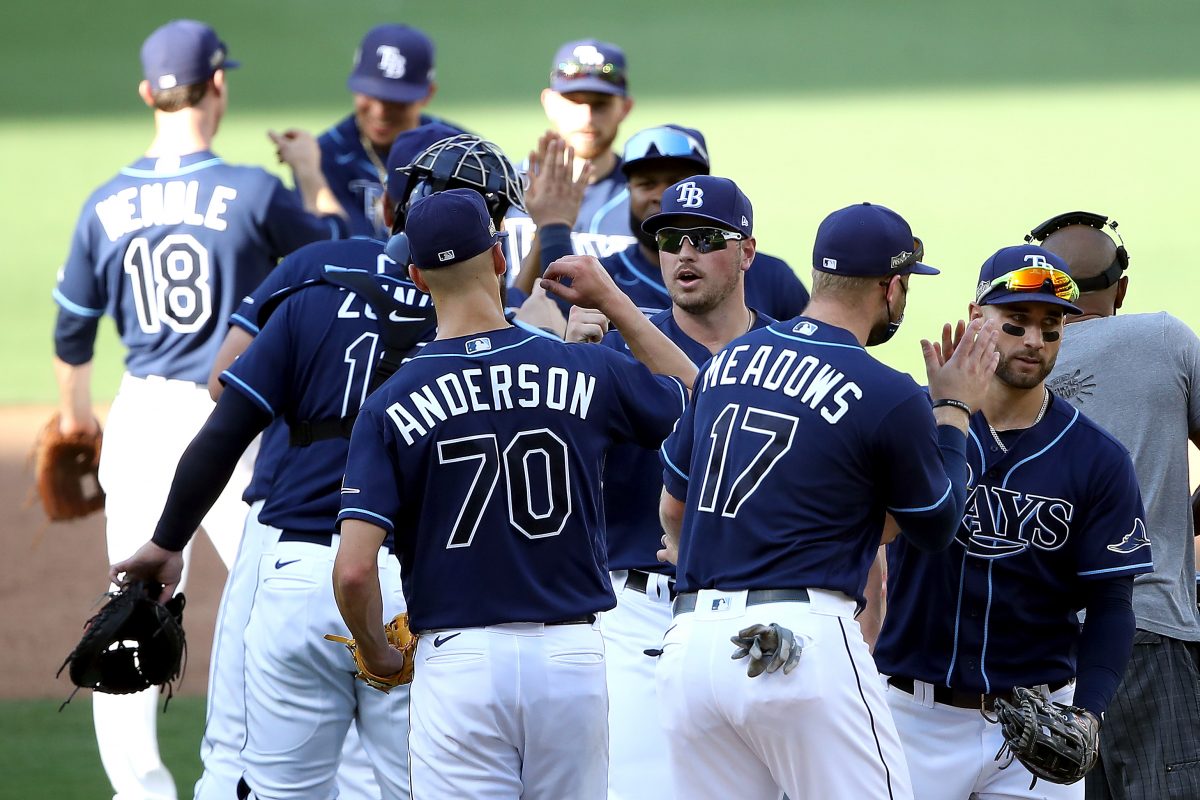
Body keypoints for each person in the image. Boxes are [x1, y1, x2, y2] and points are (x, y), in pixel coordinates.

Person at [51, 20, 346, 800]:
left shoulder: (103, 203)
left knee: (129, 608)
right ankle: (278, 772)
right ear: (219, 85)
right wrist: (312, 170)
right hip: (230, 421)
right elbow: (335, 262)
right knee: (275, 590)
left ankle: (140, 790)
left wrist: (76, 419)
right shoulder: (252, 191)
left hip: (140, 421)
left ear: (149, 93)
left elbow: (72, 334)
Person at [194, 125, 527, 800]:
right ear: (492, 241)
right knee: (415, 777)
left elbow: (222, 386)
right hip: (423, 562)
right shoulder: (498, 319)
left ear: (388, 205)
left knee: (241, 755)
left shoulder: (315, 269)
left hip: (292, 539)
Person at [332, 188, 697, 798]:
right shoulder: (585, 369)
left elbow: (352, 572)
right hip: (573, 659)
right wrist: (616, 303)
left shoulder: (389, 404)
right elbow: (697, 398)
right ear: (500, 259)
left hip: (460, 663)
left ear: (418, 277)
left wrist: (381, 655)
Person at [655, 202, 998, 799]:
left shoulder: (727, 362)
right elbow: (937, 526)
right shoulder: (884, 390)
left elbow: (673, 508)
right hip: (795, 643)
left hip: (691, 648)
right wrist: (954, 410)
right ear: (892, 288)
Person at [110, 222, 434, 797]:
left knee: (267, 780)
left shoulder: (310, 295)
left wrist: (167, 542)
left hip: (293, 577)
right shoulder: (492, 333)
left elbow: (220, 428)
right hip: (412, 586)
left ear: (391, 212)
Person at [873, 243, 1153, 800]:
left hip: (1036, 728)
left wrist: (1088, 715)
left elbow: (1112, 603)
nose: (1034, 340)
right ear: (978, 318)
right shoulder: (917, 425)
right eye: (1017, 321)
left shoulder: (1097, 458)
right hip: (911, 718)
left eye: (1051, 326)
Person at [567, 174, 775, 798]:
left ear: (747, 252)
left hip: (753, 612)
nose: (684, 252)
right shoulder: (611, 348)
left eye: (705, 238)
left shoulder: (782, 357)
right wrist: (569, 359)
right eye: (670, 238)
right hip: (634, 611)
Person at [1036, 213, 1200, 800]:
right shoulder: (1163, 338)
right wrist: (1186, 517)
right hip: (1150, 631)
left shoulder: (1008, 360)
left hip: (1035, 648)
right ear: (1121, 288)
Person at [601, 124, 808, 320]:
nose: (663, 195)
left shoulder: (773, 277)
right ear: (628, 190)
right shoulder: (604, 280)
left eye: (676, 182)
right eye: (647, 184)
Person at [303, 24, 461, 238]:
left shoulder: (458, 151)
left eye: (395, 101)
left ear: (427, 94)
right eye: (370, 94)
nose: (379, 112)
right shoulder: (322, 158)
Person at [505, 39, 636, 284]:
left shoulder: (641, 195)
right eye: (575, 101)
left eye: (601, 104)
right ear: (549, 103)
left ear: (625, 108)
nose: (587, 117)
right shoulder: (505, 187)